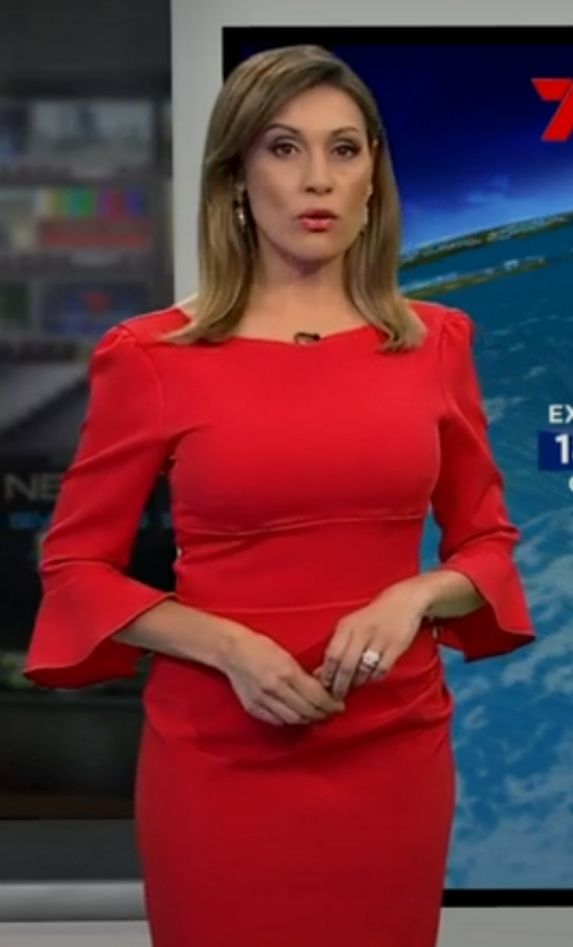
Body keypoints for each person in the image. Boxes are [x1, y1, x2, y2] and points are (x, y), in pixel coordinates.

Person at [24, 44, 536, 947]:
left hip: (391, 746)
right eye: (283, 147)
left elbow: (485, 545)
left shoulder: (436, 343)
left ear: (372, 176)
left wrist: (414, 596)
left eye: (344, 149)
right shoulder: (151, 356)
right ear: (236, 175)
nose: (317, 179)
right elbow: (76, 568)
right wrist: (229, 648)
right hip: (220, 752)